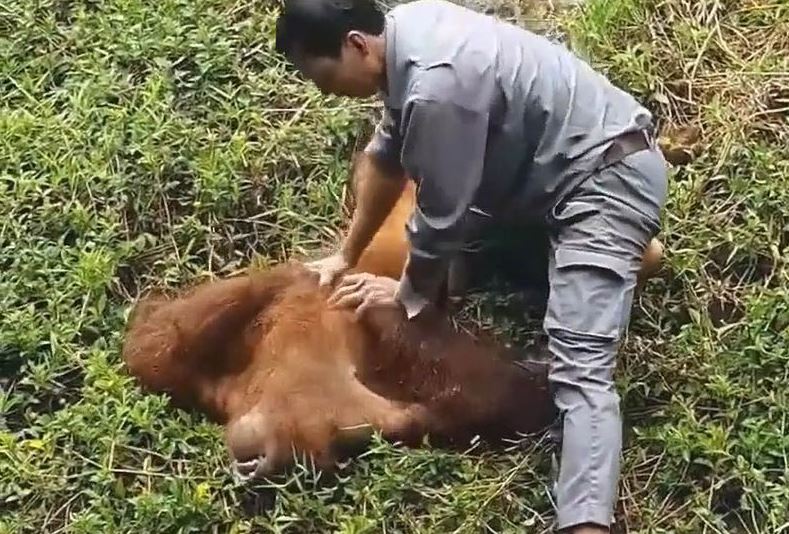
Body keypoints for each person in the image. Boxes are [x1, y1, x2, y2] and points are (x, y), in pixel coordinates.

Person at [273, 0, 669, 532]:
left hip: (603, 181)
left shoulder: (436, 87)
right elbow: (387, 158)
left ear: (355, 45)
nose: (323, 90)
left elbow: (439, 216)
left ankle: (585, 522)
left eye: (321, 75)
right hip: (540, 176)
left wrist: (407, 292)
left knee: (580, 367)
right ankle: (611, 262)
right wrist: (346, 255)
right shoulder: (406, 29)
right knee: (471, 240)